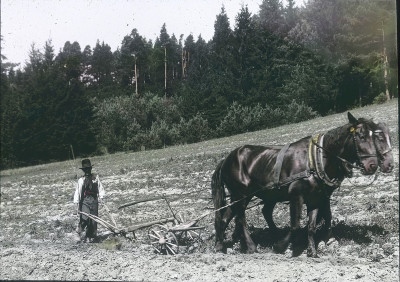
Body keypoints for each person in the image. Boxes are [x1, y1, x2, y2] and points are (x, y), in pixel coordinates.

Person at [73, 159, 105, 242]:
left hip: (94, 201)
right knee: (85, 218)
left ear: (90, 169)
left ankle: (90, 236)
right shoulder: (81, 180)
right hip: (85, 201)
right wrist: (76, 204)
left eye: (88, 169)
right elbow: (77, 192)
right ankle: (77, 233)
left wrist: (101, 198)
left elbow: (100, 188)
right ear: (83, 171)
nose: (87, 171)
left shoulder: (95, 177)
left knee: (94, 220)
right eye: (85, 169)